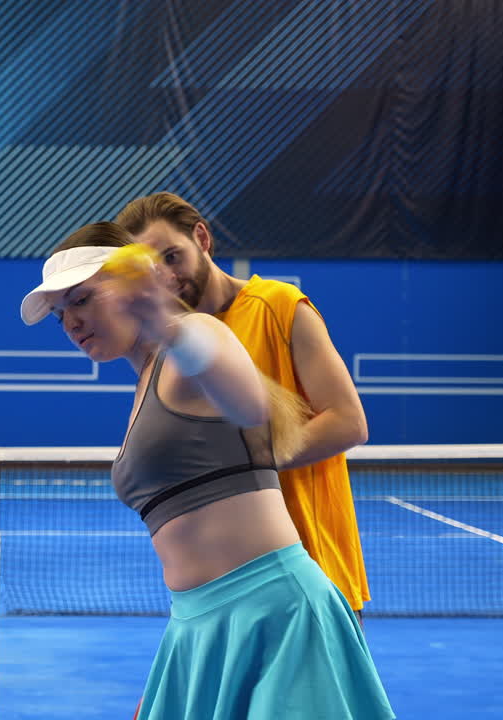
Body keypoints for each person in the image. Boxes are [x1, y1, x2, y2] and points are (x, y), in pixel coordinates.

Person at [20, 222, 393, 720]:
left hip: (272, 614)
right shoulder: (145, 385)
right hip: (196, 625)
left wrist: (167, 324)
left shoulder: (195, 337)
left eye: (82, 299)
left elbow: (249, 405)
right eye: (60, 314)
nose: (70, 322)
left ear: (134, 283)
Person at [114, 192, 373, 620]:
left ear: (202, 238)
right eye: (152, 270)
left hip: (311, 577)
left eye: (173, 257)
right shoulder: (170, 346)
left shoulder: (279, 305)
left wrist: (240, 465)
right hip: (224, 587)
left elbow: (349, 422)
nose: (168, 278)